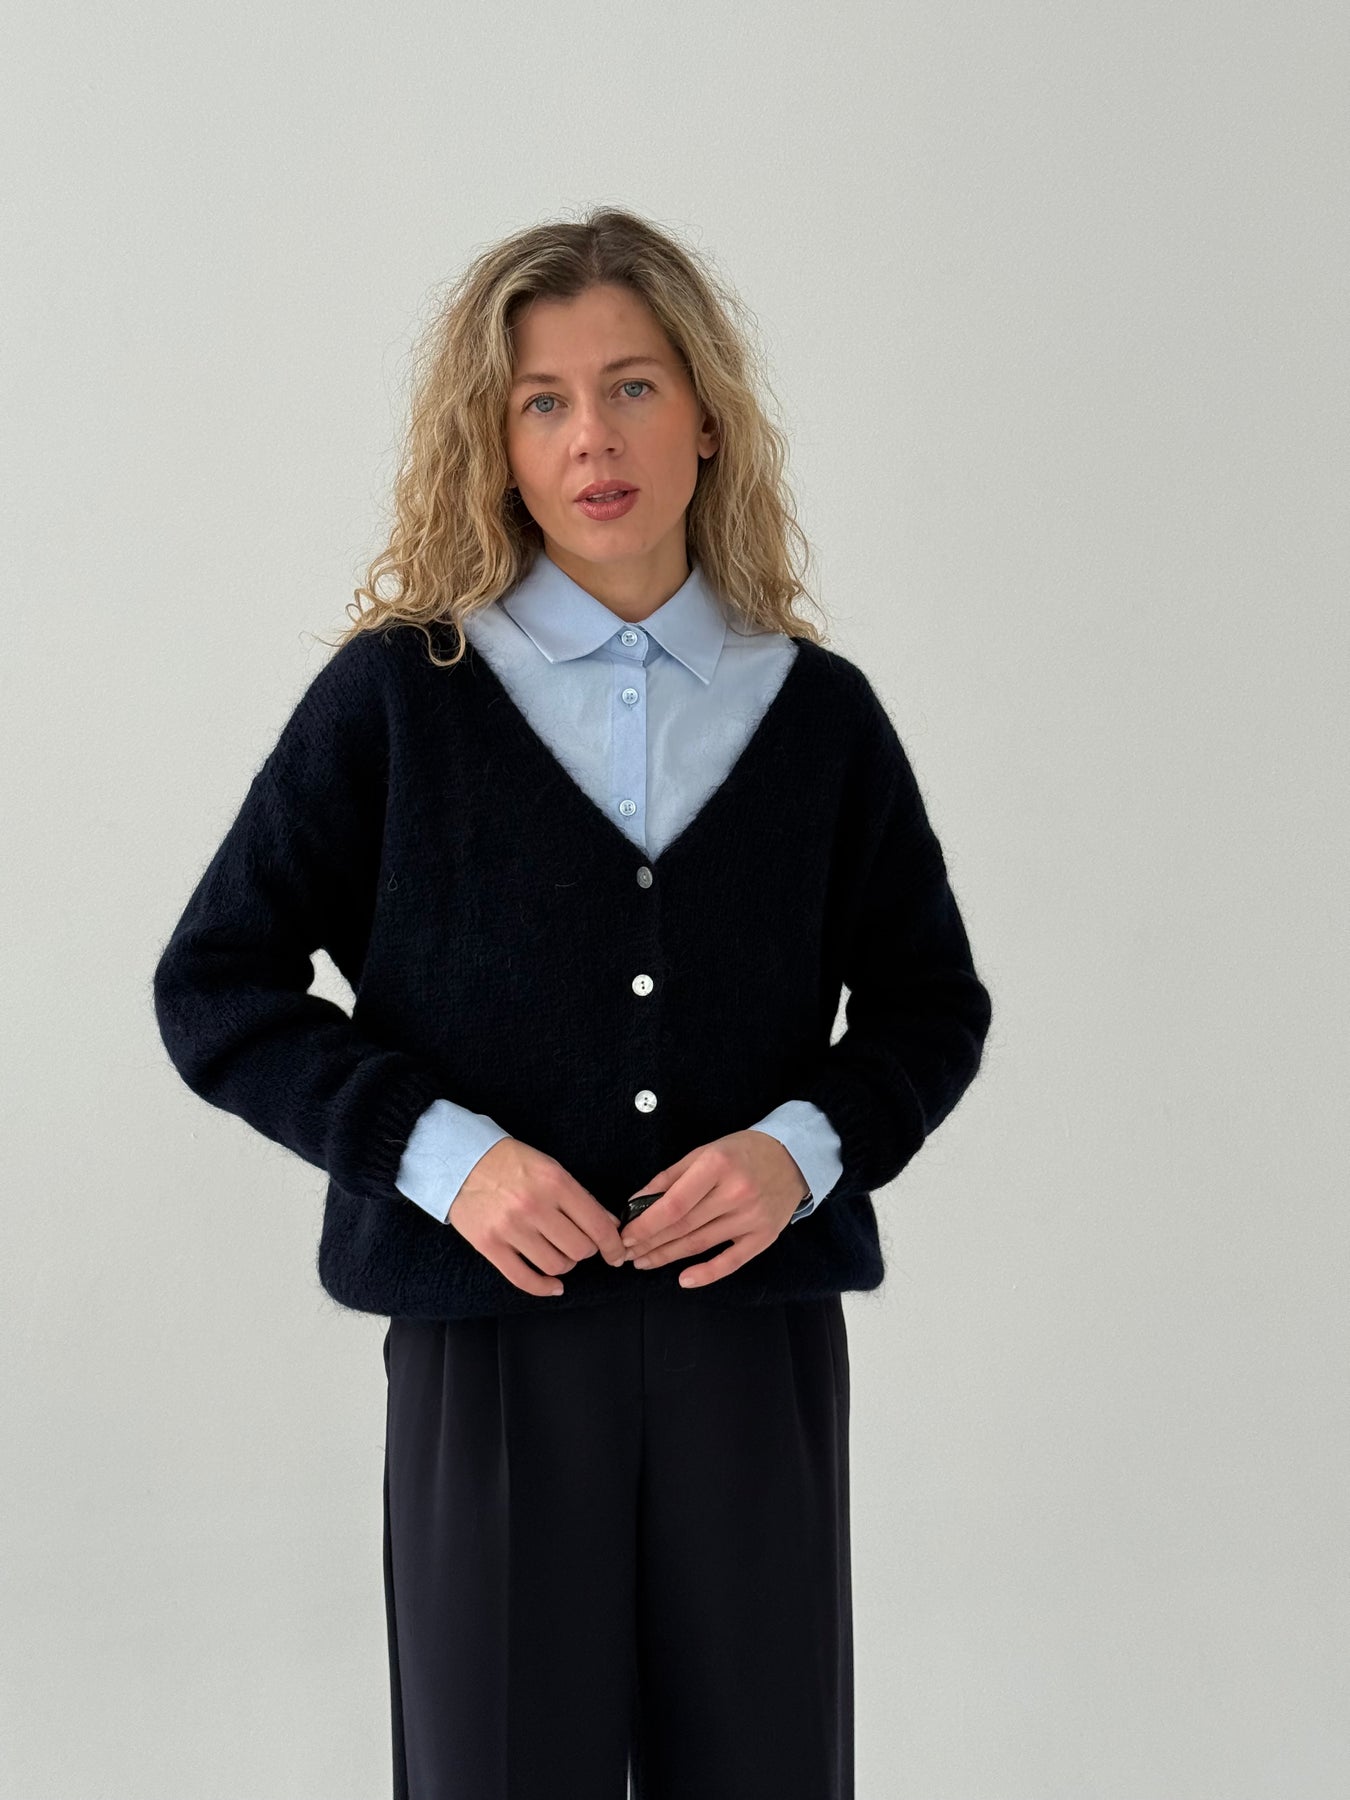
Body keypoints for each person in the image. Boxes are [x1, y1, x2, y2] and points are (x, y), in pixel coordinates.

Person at [152, 205, 993, 1800]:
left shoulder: (814, 715)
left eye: (630, 387)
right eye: (541, 401)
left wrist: (799, 1151)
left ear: (706, 420)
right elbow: (217, 981)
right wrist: (442, 1158)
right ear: (497, 444)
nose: (589, 438)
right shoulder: (401, 698)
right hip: (488, 1345)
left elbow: (925, 1006)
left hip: (751, 1338)